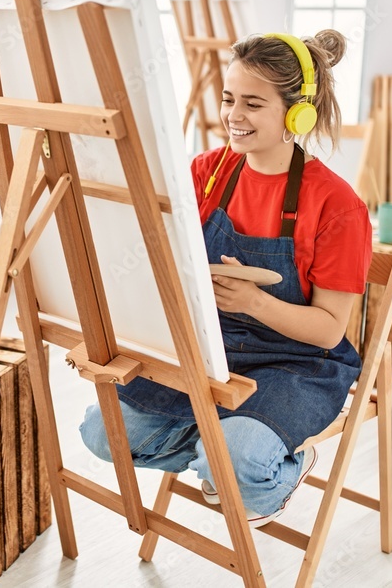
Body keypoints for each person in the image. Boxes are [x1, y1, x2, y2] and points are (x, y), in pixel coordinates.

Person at [79, 30, 372, 527]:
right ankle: (223, 450)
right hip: (212, 352)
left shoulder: (338, 206)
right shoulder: (208, 173)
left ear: (298, 113)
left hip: (295, 363)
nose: (234, 115)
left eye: (253, 103)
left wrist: (255, 303)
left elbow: (327, 331)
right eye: (229, 99)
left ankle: (270, 461)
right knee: (102, 432)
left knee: (239, 464)